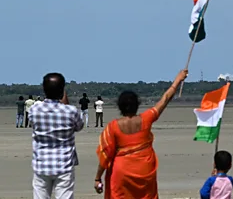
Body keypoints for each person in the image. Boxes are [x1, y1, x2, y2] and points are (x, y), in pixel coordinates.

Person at [94, 69, 188, 198]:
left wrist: (98, 178)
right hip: (145, 169)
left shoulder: (113, 127)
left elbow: (105, 156)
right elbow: (165, 98)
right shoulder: (146, 119)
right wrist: (178, 80)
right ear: (137, 105)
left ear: (120, 106)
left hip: (122, 171)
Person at [29, 73, 84, 199]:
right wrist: (63, 97)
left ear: (44, 89)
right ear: (62, 90)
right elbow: (79, 126)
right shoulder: (71, 111)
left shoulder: (34, 110)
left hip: (41, 164)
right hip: (64, 164)